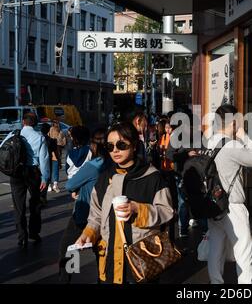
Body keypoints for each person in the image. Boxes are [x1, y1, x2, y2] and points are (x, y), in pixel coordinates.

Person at [75, 122, 174, 284]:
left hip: (142, 261)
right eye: (110, 146)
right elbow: (96, 216)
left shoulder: (153, 177)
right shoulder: (104, 178)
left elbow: (167, 212)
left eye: (121, 145)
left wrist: (138, 209)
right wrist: (88, 234)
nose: (115, 150)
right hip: (110, 261)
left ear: (134, 145)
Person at [206, 104, 252, 284]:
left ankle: (216, 283)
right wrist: (244, 135)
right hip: (233, 206)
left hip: (213, 204)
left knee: (216, 249)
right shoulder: (233, 145)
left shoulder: (209, 142)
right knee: (243, 251)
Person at [58, 129, 110, 283]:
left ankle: (67, 279)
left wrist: (78, 189)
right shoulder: (111, 164)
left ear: (95, 145)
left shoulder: (94, 165)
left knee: (68, 247)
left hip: (85, 213)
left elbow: (70, 184)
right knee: (100, 251)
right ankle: (103, 279)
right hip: (105, 214)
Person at [0, 112, 50, 248]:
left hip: (16, 172)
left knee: (18, 206)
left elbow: (2, 148)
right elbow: (44, 160)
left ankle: (22, 237)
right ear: (35, 123)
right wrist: (45, 178)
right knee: (35, 204)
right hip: (32, 172)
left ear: (23, 122)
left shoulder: (14, 134)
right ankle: (34, 232)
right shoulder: (40, 137)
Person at [39, 123, 58, 204]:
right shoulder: (51, 140)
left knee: (38, 179)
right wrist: (59, 161)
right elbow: (56, 152)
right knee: (46, 178)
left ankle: (40, 196)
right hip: (48, 161)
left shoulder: (38, 139)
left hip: (37, 162)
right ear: (48, 130)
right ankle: (43, 196)